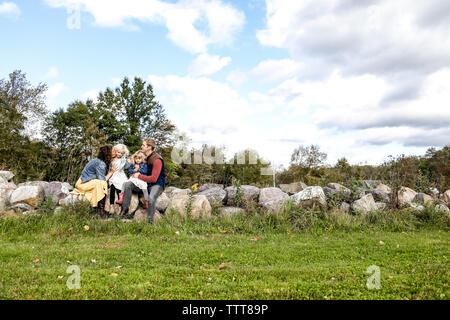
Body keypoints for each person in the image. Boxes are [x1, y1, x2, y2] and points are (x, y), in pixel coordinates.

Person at [119, 138, 165, 224]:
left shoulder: (157, 160)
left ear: (149, 147)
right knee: (128, 184)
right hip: (144, 183)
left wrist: (139, 176)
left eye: (143, 145)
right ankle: (124, 210)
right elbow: (137, 166)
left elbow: (154, 178)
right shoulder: (146, 158)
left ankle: (150, 223)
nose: (141, 146)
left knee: (151, 198)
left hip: (156, 184)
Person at [71, 144, 117, 215]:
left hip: (89, 181)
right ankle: (99, 210)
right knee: (100, 183)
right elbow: (102, 179)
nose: (115, 152)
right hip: (83, 183)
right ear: (107, 153)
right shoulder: (100, 163)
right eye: (113, 151)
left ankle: (100, 210)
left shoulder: (104, 162)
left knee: (100, 184)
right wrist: (111, 172)